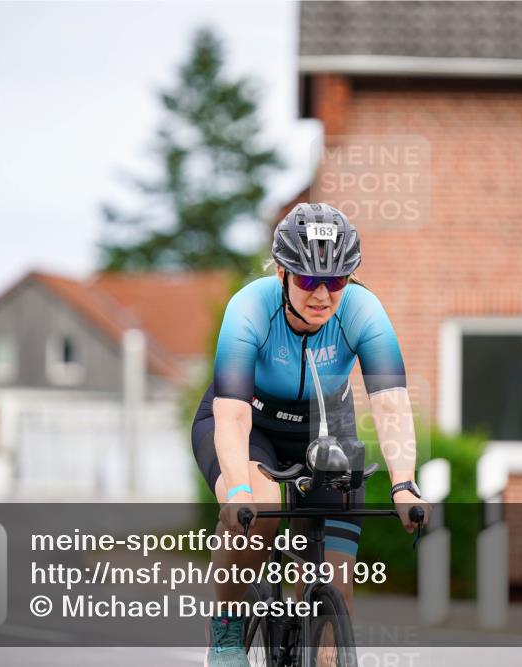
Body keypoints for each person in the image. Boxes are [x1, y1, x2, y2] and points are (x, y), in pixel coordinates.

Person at [191, 202, 427, 666]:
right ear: (282, 272)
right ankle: (226, 632)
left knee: (334, 590)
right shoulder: (249, 307)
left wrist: (404, 481)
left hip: (326, 428)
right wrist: (238, 490)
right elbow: (234, 418)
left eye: (336, 280)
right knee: (257, 515)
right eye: (308, 280)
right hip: (250, 424)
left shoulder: (363, 310)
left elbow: (391, 402)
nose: (322, 294)